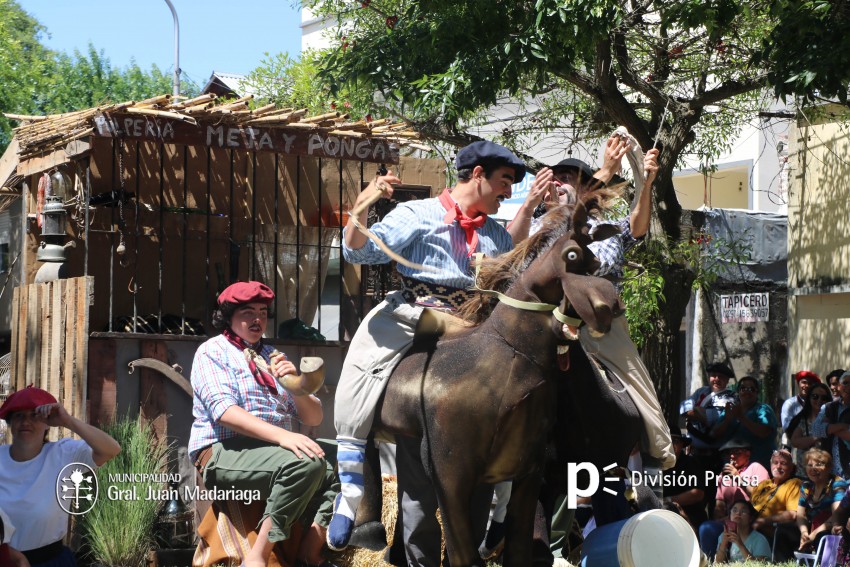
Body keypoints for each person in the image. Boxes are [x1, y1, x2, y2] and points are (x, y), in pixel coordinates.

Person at [326, 140, 526, 557]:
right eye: (505, 180)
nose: (508, 191)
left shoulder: (496, 234)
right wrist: (361, 207)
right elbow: (358, 251)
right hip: (413, 316)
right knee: (357, 374)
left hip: (474, 326)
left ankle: (503, 508)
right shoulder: (416, 215)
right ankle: (350, 493)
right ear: (477, 175)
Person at [188, 281, 338, 567]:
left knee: (346, 457)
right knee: (305, 463)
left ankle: (310, 551)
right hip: (221, 450)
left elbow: (314, 418)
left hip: (272, 450)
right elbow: (224, 412)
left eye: (263, 312)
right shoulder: (212, 351)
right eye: (248, 312)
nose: (257, 319)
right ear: (228, 317)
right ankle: (257, 557)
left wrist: (297, 387)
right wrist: (284, 437)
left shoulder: (273, 356)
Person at [0, 386, 121, 567]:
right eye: (19, 416)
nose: (26, 422)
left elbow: (111, 450)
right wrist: (12, 555)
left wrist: (68, 421)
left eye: (34, 415)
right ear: (10, 423)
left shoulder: (64, 454)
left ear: (47, 423)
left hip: (52, 562)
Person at [698, 438, 769, 557]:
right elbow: (719, 506)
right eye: (729, 453)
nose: (732, 456)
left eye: (737, 452)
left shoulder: (756, 468)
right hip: (729, 520)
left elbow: (762, 498)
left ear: (748, 454)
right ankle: (712, 561)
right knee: (706, 527)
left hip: (750, 518)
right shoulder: (723, 475)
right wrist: (720, 518)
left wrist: (737, 478)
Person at [711, 376, 778, 468]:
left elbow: (764, 432)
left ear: (757, 393)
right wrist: (727, 420)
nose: (747, 392)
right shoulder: (730, 410)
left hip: (758, 467)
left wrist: (741, 417)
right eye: (743, 388)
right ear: (738, 392)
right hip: (732, 467)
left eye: (751, 389)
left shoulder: (763, 409)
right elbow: (714, 434)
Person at [749, 449, 803, 561]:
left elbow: (792, 514)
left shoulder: (794, 484)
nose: (778, 466)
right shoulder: (764, 484)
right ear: (770, 464)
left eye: (783, 463)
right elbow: (752, 506)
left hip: (772, 534)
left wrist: (763, 521)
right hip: (751, 528)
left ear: (791, 467)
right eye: (775, 463)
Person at [797, 448, 847, 553]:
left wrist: (813, 535)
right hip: (811, 527)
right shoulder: (806, 486)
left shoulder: (837, 484)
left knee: (821, 536)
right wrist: (804, 532)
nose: (813, 469)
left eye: (819, 465)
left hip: (831, 528)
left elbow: (837, 514)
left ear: (829, 468)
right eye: (810, 465)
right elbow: (800, 514)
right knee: (785, 530)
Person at [662, 427, 708, 530]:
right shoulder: (655, 464)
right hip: (661, 517)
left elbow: (698, 493)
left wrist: (668, 501)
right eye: (667, 441)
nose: (670, 445)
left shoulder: (690, 463)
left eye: (675, 441)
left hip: (690, 518)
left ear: (682, 444)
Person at [813, 370, 850, 478]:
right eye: (845, 383)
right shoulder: (828, 407)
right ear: (839, 386)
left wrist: (828, 427)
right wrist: (842, 426)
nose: (848, 386)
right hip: (829, 470)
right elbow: (815, 430)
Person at [789, 382, 832, 473]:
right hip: (804, 474)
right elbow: (795, 442)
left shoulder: (833, 419)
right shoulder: (802, 420)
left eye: (824, 398)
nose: (819, 400)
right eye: (815, 396)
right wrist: (818, 436)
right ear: (809, 398)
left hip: (826, 473)